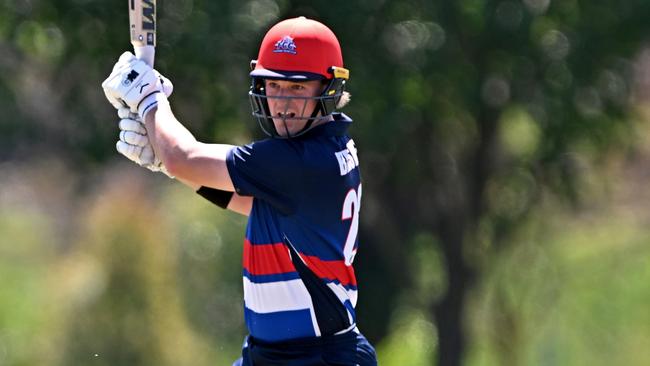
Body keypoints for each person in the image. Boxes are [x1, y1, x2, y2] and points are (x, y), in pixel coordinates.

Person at [102, 16, 377, 365]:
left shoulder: (299, 161)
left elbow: (181, 155)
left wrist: (149, 99)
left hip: (313, 358)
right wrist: (166, 164)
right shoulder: (328, 147)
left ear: (329, 87)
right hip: (275, 354)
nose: (283, 103)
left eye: (297, 88)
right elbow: (251, 201)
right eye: (274, 86)